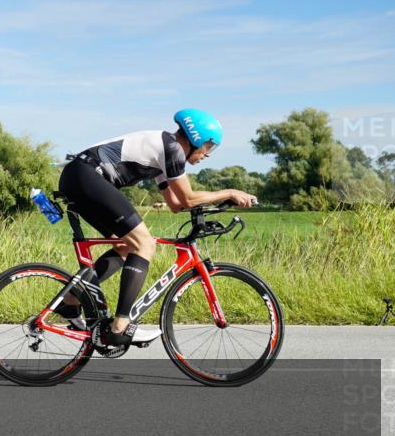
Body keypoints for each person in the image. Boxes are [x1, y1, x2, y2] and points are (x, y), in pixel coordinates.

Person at [57, 109, 257, 347]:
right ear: (195, 138)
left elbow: (174, 205)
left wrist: (216, 205)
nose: (207, 154)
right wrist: (230, 192)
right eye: (208, 146)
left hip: (79, 177)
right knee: (144, 244)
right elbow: (187, 199)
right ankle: (119, 327)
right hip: (86, 176)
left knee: (125, 246)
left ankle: (70, 301)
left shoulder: (166, 153)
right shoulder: (171, 148)